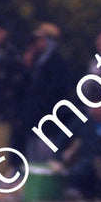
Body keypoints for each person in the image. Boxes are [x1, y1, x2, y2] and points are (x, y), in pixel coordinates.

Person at [19, 22, 71, 161]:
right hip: (33, 118)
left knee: (45, 156)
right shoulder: (36, 61)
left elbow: (56, 91)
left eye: (41, 40)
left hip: (48, 119)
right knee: (31, 155)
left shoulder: (57, 62)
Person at [0, 21, 25, 153]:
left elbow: (18, 80)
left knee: (1, 147)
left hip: (4, 109)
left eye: (0, 31)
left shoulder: (12, 53)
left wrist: (7, 96)